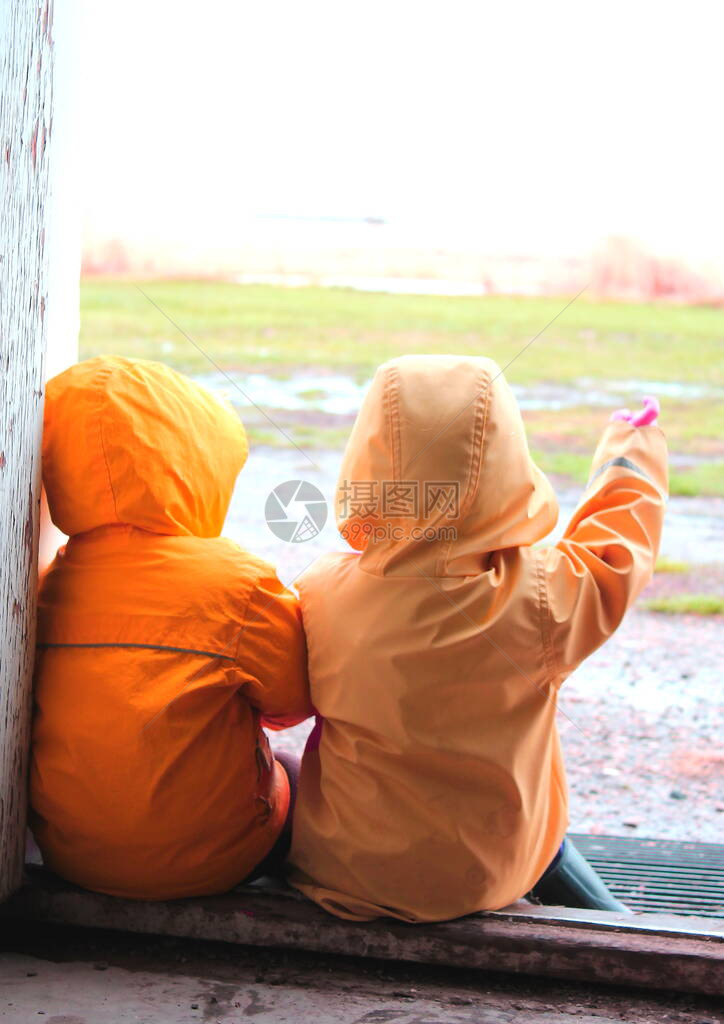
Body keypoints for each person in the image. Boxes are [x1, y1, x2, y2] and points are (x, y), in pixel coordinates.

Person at [287, 354, 667, 922]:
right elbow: (615, 552)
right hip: (495, 872)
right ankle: (628, 932)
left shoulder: (322, 591)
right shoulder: (542, 596)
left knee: (286, 767)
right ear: (507, 461)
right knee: (546, 829)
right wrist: (630, 451)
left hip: (349, 871)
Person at [30, 356, 312, 900]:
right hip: (214, 861)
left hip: (70, 854)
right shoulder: (239, 585)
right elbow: (291, 705)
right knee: (297, 768)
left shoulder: (47, 586)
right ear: (198, 463)